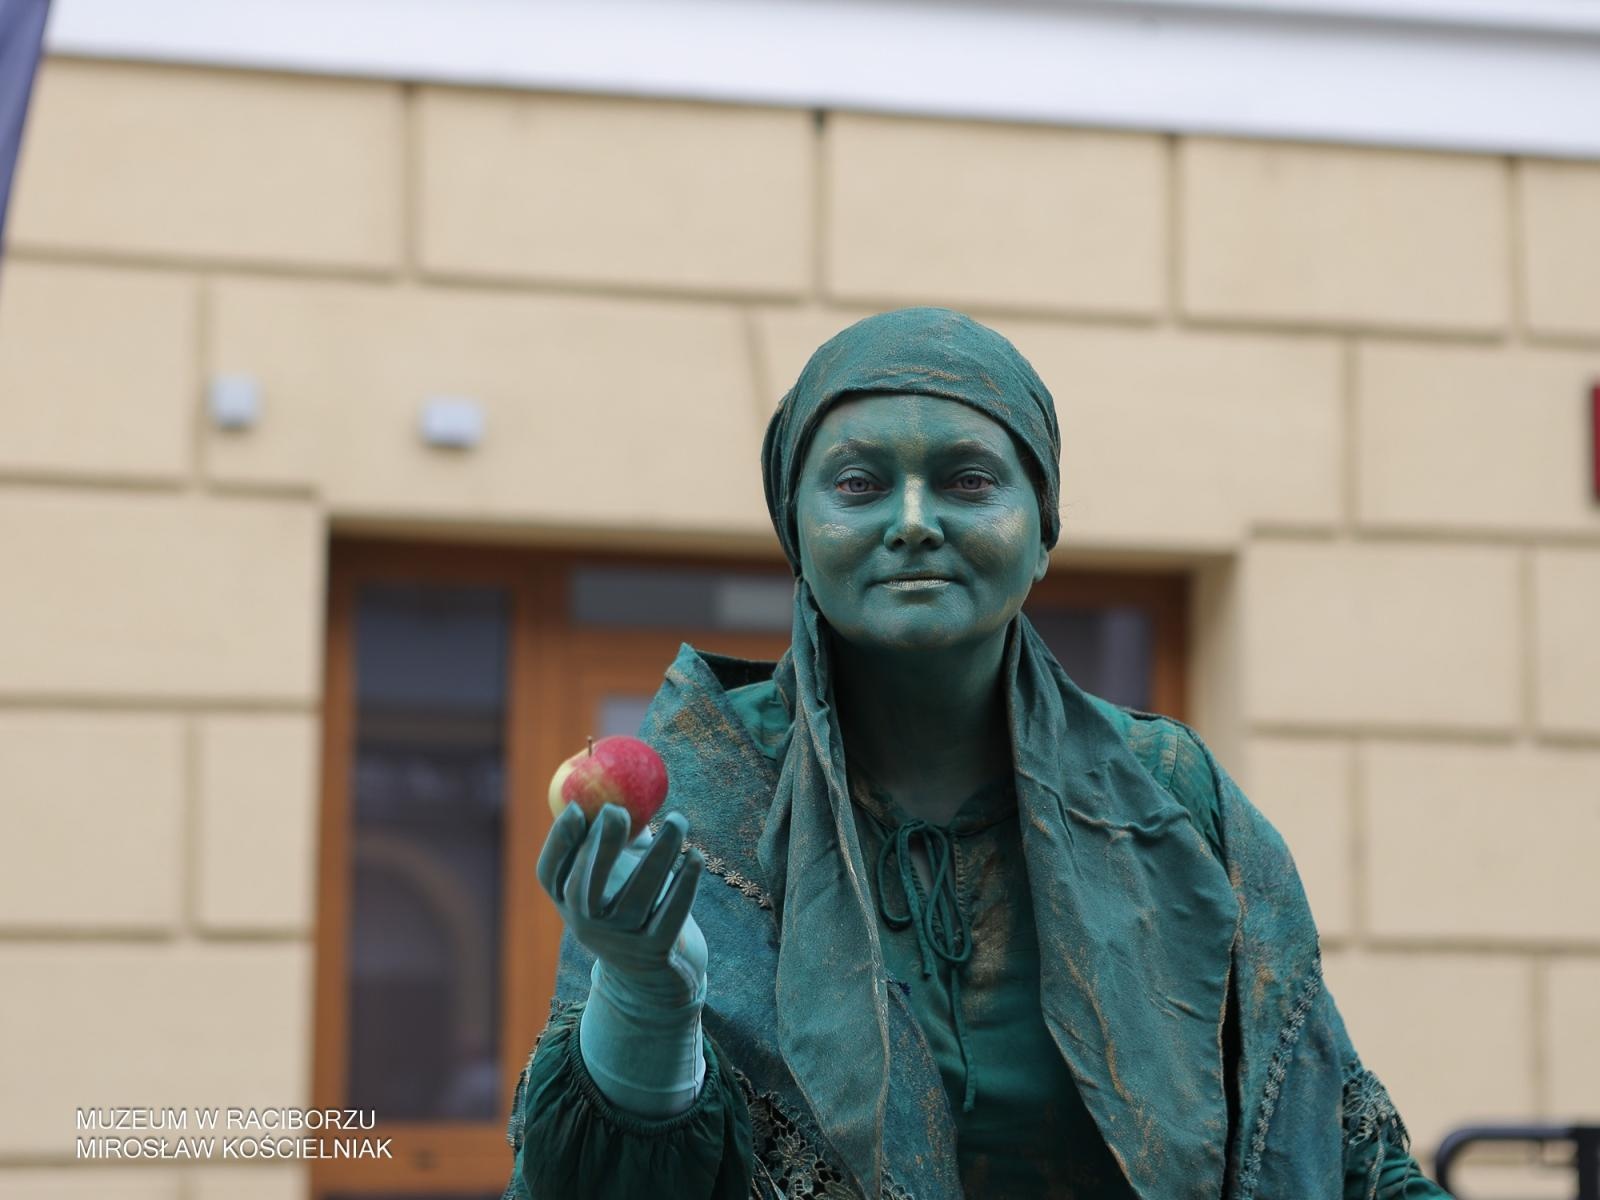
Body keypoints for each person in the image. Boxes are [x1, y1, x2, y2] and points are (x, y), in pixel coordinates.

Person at [502, 308, 1449, 1200]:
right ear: (797, 534)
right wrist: (646, 1008)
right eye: (858, 484)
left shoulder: (1166, 793)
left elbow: (1337, 1151)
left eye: (968, 481)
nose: (914, 520)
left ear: (1044, 534)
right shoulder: (699, 799)